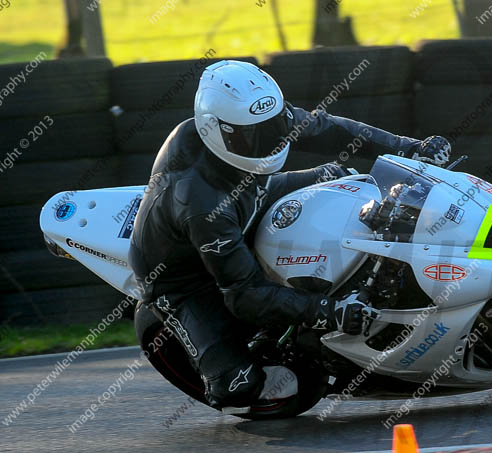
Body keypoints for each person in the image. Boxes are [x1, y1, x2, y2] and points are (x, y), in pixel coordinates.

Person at [128, 60, 451, 411]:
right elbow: (245, 296)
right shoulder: (200, 202)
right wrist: (330, 311)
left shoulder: (256, 120)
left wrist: (408, 146)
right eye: (251, 138)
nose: (267, 142)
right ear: (215, 131)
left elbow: (328, 128)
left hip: (252, 193)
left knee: (340, 176)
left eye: (275, 128)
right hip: (185, 278)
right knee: (236, 390)